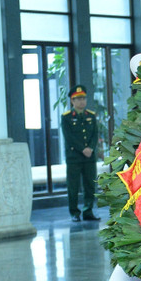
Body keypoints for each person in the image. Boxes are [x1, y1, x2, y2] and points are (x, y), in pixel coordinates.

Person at [62, 85, 99, 222]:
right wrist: (83, 149)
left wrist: (90, 148)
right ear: (72, 101)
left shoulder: (91, 116)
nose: (81, 102)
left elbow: (95, 135)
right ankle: (74, 212)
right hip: (74, 157)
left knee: (90, 185)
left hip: (89, 157)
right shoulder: (66, 118)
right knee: (74, 186)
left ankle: (88, 211)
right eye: (78, 99)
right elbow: (69, 137)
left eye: (83, 98)